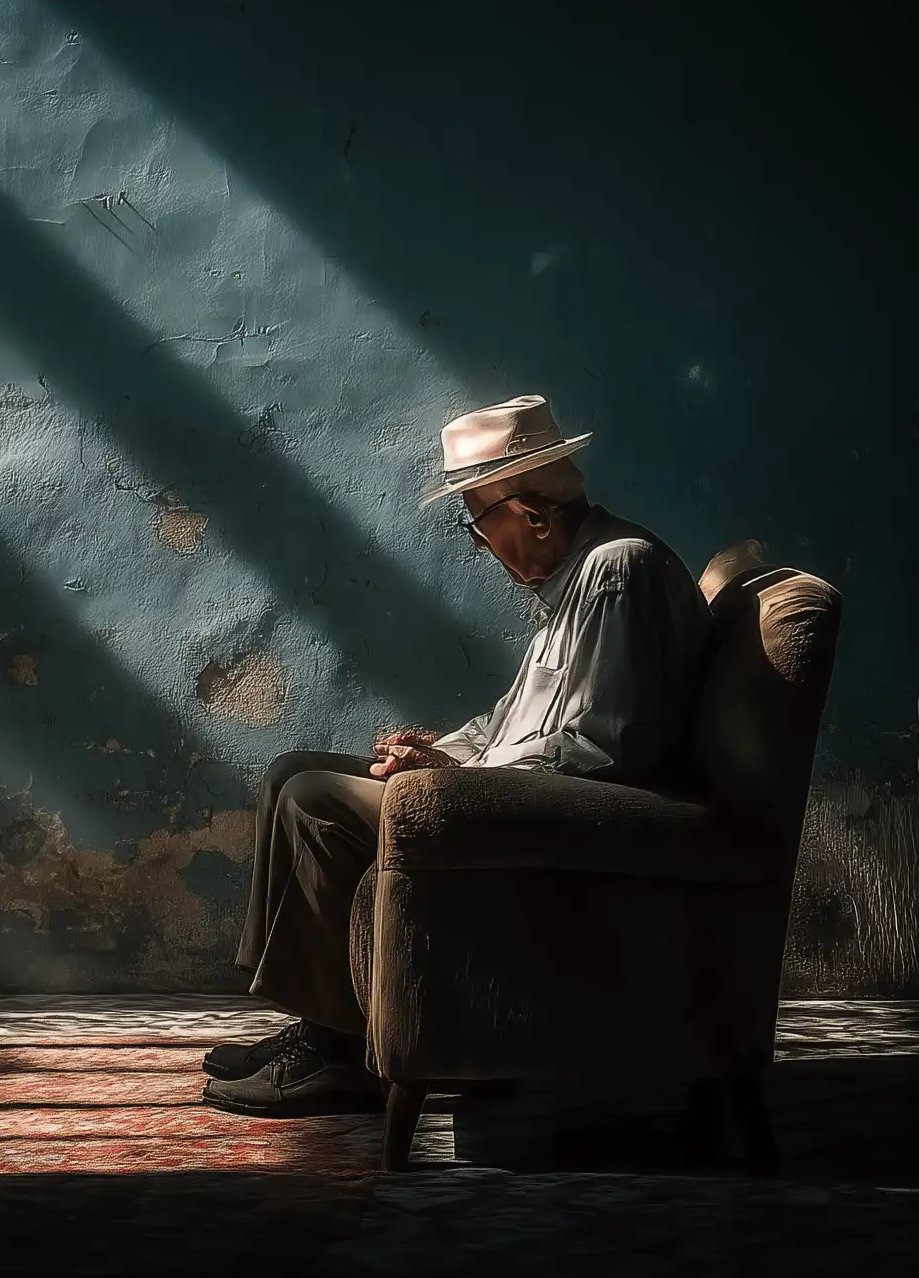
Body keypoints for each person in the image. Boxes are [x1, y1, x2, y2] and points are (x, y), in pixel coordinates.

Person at [201, 394, 713, 1115]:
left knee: (315, 801)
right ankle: (320, 1023)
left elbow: (600, 748)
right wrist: (439, 751)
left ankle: (339, 1051)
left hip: (555, 812)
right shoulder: (574, 580)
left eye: (477, 518)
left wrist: (458, 778)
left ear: (530, 514)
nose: (476, 543)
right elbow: (514, 720)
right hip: (511, 789)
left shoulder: (615, 572)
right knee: (292, 769)